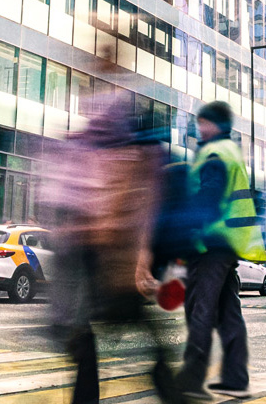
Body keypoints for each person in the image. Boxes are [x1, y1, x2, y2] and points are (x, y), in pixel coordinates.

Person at [39, 60, 171, 404]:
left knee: (94, 329)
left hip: (103, 252)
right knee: (102, 329)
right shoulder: (104, 145)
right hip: (98, 251)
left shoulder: (125, 150)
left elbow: (138, 210)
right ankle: (169, 385)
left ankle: (169, 385)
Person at [176, 101, 265, 401]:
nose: (199, 128)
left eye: (203, 123)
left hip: (211, 243)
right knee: (228, 312)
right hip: (228, 245)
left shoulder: (215, 154)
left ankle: (191, 379)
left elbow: (208, 201)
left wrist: (185, 232)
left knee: (200, 309)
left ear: (215, 124)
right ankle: (236, 379)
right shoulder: (230, 152)